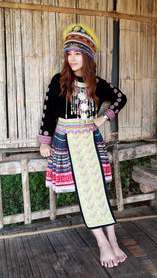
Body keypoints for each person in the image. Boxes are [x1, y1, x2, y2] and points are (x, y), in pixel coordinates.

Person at [38, 24, 127, 268]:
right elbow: (49, 113)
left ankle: (113, 238)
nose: (73, 58)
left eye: (78, 53)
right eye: (69, 53)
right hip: (67, 142)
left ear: (87, 56)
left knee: (98, 189)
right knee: (86, 191)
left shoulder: (96, 83)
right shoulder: (60, 81)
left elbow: (120, 98)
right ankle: (102, 242)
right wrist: (45, 140)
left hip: (90, 141)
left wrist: (103, 118)